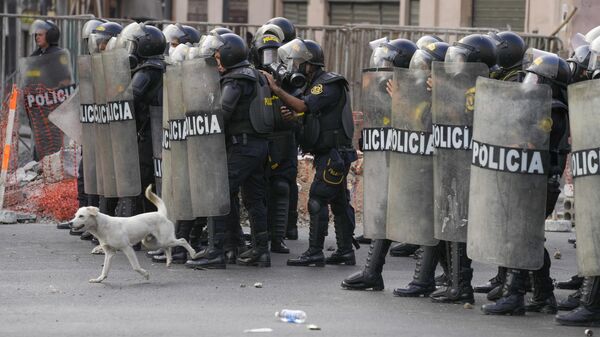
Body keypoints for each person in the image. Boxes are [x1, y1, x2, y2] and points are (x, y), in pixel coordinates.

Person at [481, 50, 570, 315]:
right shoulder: (542, 106)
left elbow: (533, 142)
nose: (531, 84)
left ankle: (514, 295)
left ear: (549, 85)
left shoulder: (554, 109)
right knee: (528, 237)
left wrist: (516, 141)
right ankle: (543, 296)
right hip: (530, 179)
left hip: (542, 182)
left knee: (520, 236)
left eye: (537, 80)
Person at [261, 38, 358, 267]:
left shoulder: (328, 83)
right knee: (339, 203)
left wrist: (276, 90)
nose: (294, 67)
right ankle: (345, 251)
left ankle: (315, 252)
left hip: (334, 155)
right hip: (329, 154)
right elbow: (314, 122)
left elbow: (305, 106)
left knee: (317, 199)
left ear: (309, 64)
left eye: (297, 63)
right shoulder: (314, 85)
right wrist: (294, 120)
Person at [185, 33, 271, 269]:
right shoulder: (256, 75)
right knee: (253, 198)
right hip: (257, 145)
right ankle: (258, 250)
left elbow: (223, 112)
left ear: (230, 55)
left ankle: (215, 250)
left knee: (218, 192)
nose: (216, 60)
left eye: (218, 56)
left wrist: (199, 118)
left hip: (242, 146)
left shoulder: (235, 80)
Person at [341, 37, 418, 289]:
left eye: (389, 62)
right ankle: (372, 272)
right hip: (393, 162)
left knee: (428, 223)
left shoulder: (419, 90)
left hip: (414, 166)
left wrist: (402, 100)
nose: (383, 67)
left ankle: (443, 279)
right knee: (386, 213)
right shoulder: (389, 88)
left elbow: (420, 126)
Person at [429, 34, 498, 304]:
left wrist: (442, 93)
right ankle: (454, 281)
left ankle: (461, 286)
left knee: (459, 223)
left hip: (468, 165)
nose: (454, 62)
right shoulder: (463, 83)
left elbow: (461, 118)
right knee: (451, 222)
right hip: (454, 162)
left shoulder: (478, 87)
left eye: (460, 57)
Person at [473, 31, 528, 300]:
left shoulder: (515, 79)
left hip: (511, 159)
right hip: (498, 156)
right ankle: (504, 279)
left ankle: (519, 287)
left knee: (513, 225)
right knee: (504, 223)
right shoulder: (501, 75)